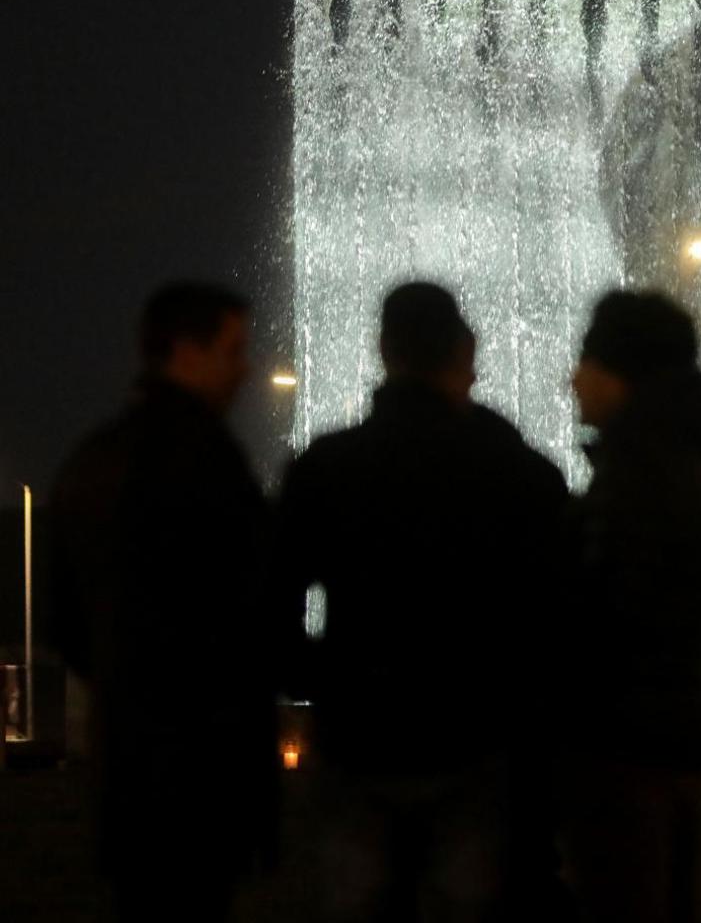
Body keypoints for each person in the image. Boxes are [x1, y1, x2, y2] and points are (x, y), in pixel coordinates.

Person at [277, 281, 571, 921]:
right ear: (466, 351)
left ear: (385, 351)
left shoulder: (326, 468)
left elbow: (273, 605)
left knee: (355, 903)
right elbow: (559, 612)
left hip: (360, 732)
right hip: (475, 731)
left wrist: (323, 677)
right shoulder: (516, 472)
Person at [51, 281, 275, 921]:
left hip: (124, 757)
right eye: (233, 350)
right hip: (207, 767)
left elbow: (69, 621)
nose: (245, 367)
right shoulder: (212, 462)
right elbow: (255, 605)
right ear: (186, 350)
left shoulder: (92, 460)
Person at [563, 290, 701, 923]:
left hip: (625, 735)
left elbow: (615, 606)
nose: (573, 379)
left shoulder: (644, 473)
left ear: (623, 372)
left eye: (588, 360)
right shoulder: (684, 459)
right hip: (667, 725)